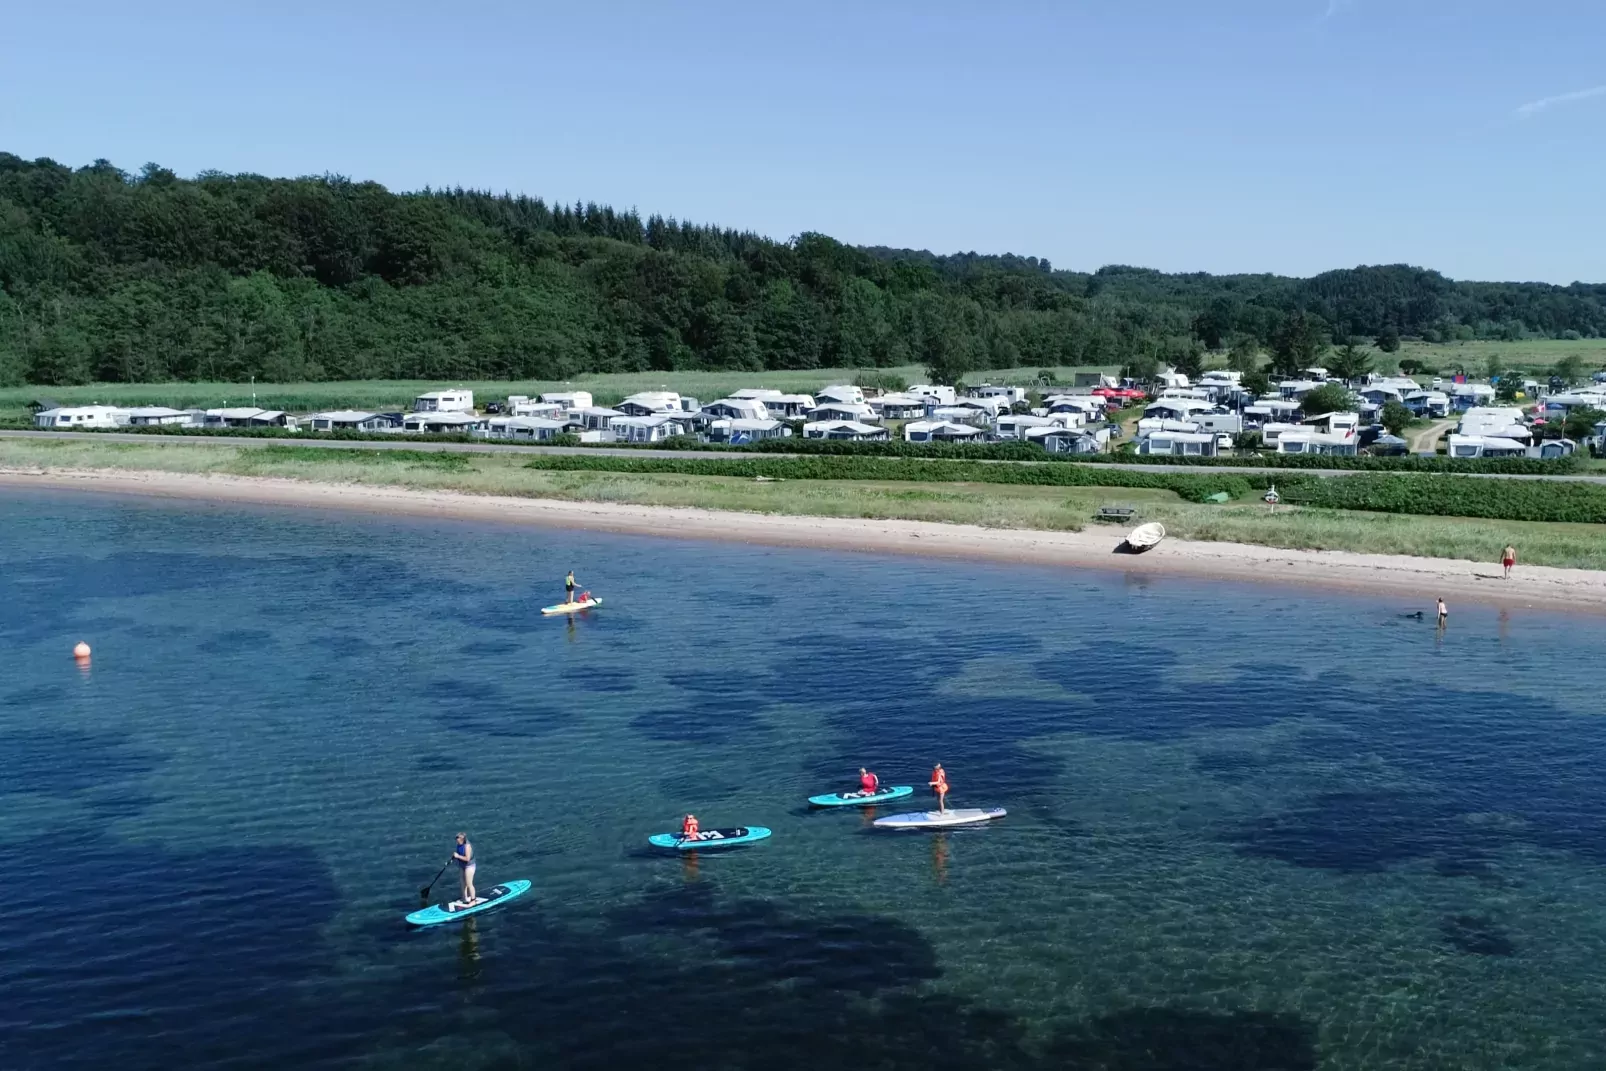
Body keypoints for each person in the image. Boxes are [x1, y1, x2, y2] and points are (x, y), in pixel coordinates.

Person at [451, 832, 478, 909]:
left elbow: (467, 858)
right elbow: (458, 854)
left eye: (457, 838)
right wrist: (453, 857)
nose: (456, 839)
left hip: (469, 866)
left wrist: (458, 856)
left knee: (469, 883)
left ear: (462, 839)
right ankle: (464, 898)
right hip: (462, 865)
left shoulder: (467, 846)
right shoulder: (459, 844)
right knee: (462, 882)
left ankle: (473, 901)